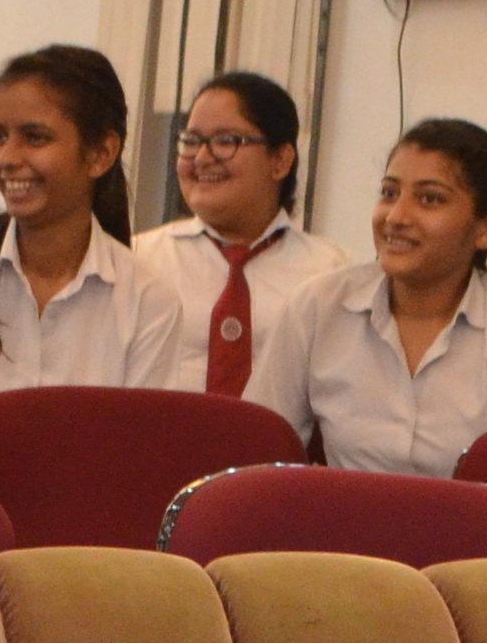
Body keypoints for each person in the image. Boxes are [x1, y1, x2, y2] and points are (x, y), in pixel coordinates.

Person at [0, 44, 184, 460]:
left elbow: (132, 463)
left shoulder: (148, 302)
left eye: (35, 138)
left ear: (101, 153)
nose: (7, 158)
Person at [291, 117, 487, 472]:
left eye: (430, 199)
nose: (395, 217)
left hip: (479, 511)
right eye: (389, 193)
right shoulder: (319, 305)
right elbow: (262, 451)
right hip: (342, 510)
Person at [133, 69, 347, 410]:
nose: (202, 158)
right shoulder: (137, 259)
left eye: (226, 141)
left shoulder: (333, 275)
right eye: (191, 141)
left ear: (280, 161)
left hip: (279, 444)